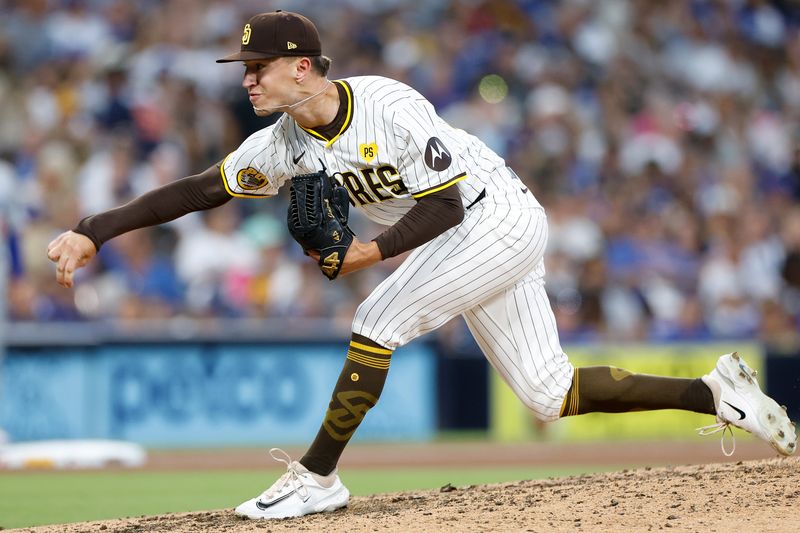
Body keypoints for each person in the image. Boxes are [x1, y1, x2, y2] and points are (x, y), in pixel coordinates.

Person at [47, 10, 796, 521]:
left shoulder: (386, 106)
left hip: (492, 213)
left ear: (302, 68)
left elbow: (444, 207)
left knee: (376, 317)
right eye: (244, 66)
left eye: (258, 65)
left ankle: (316, 479)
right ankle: (714, 392)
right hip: (459, 238)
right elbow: (199, 189)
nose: (246, 77)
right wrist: (93, 230)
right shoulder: (281, 142)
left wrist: (366, 253)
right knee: (548, 391)